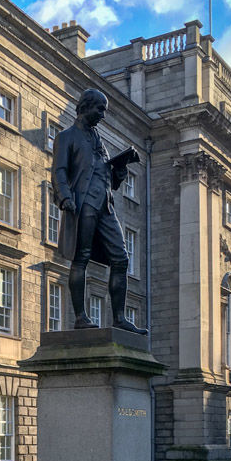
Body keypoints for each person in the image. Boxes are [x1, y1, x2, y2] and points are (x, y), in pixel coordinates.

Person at [51, 88, 147, 333]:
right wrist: (64, 197)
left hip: (104, 206)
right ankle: (80, 316)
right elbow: (60, 171)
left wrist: (120, 170)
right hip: (83, 204)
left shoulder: (99, 141)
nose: (103, 115)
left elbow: (106, 178)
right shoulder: (67, 136)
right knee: (80, 258)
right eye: (100, 109)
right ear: (85, 107)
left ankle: (119, 318)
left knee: (121, 259)